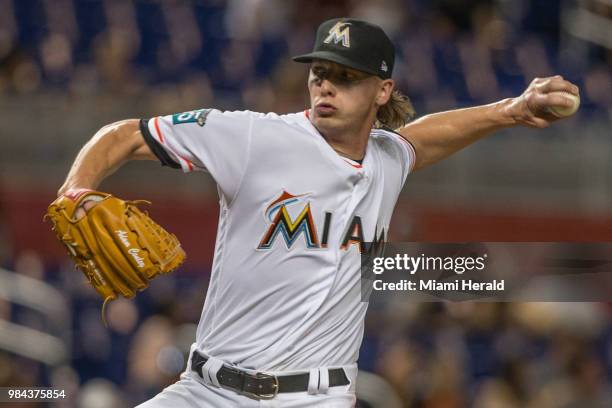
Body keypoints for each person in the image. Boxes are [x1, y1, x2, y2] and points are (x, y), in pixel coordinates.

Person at [58, 18, 579, 408]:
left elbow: (425, 139)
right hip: (207, 391)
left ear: (383, 91)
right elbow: (125, 134)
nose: (326, 85)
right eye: (320, 72)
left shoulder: (387, 159)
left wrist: (511, 111)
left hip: (318, 397)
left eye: (346, 77)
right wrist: (75, 189)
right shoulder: (254, 137)